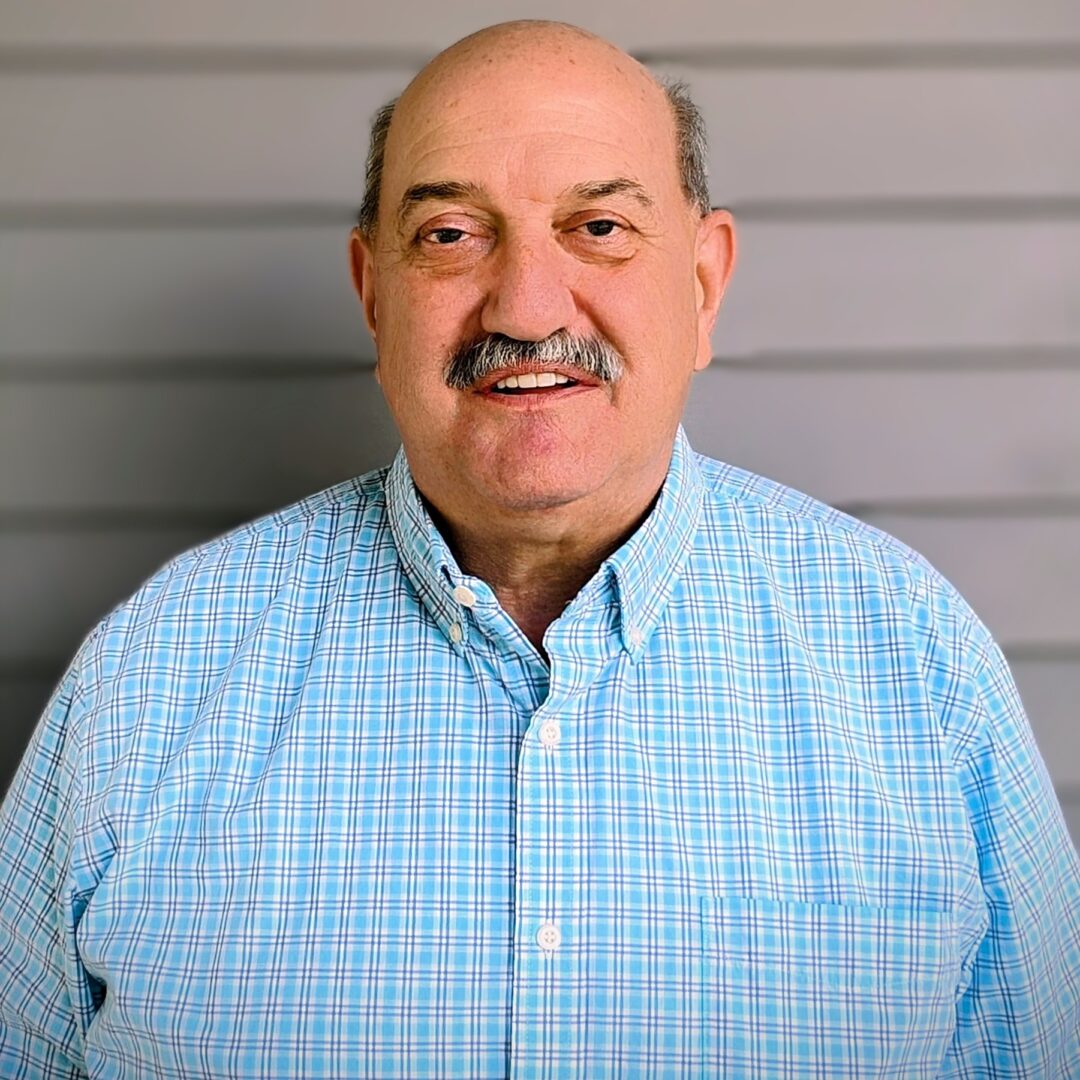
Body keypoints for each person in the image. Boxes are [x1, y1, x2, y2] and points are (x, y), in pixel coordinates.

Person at [1, 19, 1077, 1079]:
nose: (523, 303)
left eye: (599, 226)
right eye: (451, 234)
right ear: (374, 295)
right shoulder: (148, 678)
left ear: (702, 285)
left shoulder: (917, 663)